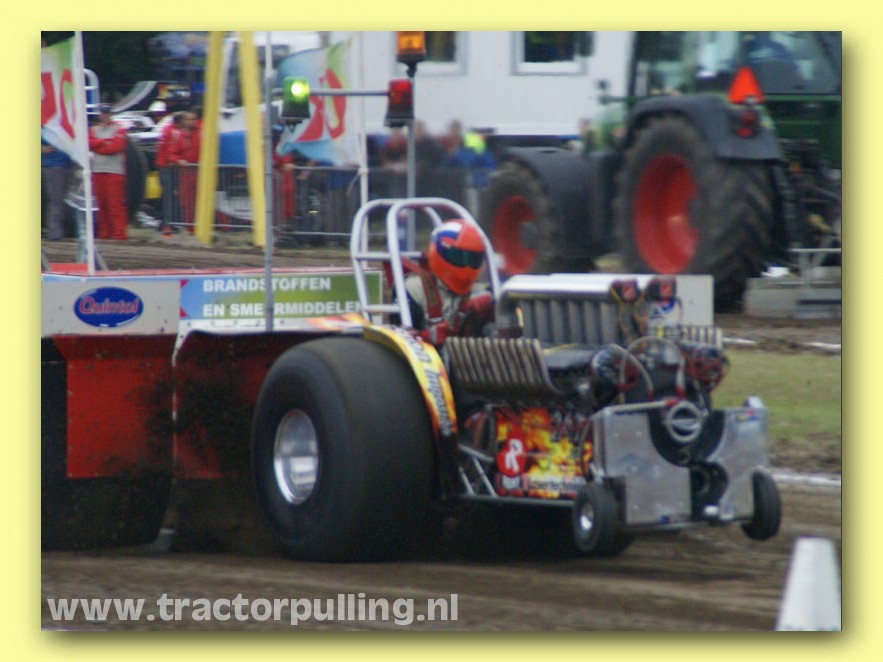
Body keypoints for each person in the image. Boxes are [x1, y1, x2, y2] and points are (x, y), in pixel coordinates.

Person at [403, 219, 494, 345]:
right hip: (428, 356)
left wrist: (491, 309)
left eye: (473, 259)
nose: (467, 265)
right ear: (440, 252)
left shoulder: (484, 293)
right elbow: (397, 338)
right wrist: (426, 337)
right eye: (458, 257)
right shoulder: (413, 289)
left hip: (475, 356)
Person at [87, 104, 129, 240]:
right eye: (103, 113)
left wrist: (98, 145)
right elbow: (89, 144)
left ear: (111, 114)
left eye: (107, 113)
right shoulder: (93, 129)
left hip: (114, 170)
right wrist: (104, 142)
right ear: (99, 114)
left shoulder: (119, 129)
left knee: (115, 204)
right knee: (101, 204)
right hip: (98, 170)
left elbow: (116, 147)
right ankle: (104, 233)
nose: (105, 115)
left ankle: (119, 233)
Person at [41, 137, 73, 240]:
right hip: (54, 166)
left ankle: (60, 231)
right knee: (56, 200)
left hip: (67, 165)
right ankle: (54, 232)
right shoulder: (47, 130)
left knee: (63, 201)